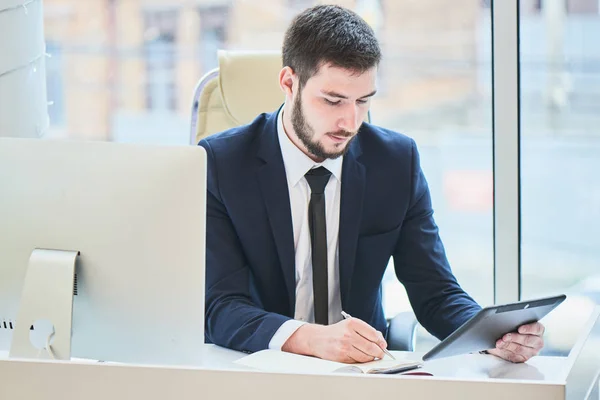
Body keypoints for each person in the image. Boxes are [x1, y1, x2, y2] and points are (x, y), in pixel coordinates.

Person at [199, 4, 544, 364]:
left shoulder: (396, 163)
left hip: (362, 372)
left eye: (363, 101)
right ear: (289, 82)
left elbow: (436, 292)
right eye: (332, 100)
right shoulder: (222, 164)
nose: (349, 121)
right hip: (259, 368)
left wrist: (492, 333)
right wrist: (311, 339)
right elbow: (220, 306)